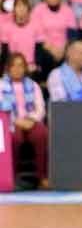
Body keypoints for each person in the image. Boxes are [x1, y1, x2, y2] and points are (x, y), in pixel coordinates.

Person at [0, 52, 48, 185]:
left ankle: (42, 177)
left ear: (25, 68)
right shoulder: (1, 86)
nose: (17, 69)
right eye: (14, 66)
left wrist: (31, 120)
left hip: (30, 122)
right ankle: (11, 177)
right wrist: (17, 121)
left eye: (21, 65)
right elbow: (2, 109)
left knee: (41, 134)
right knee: (14, 138)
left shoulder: (33, 85)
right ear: (8, 68)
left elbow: (41, 108)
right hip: (11, 123)